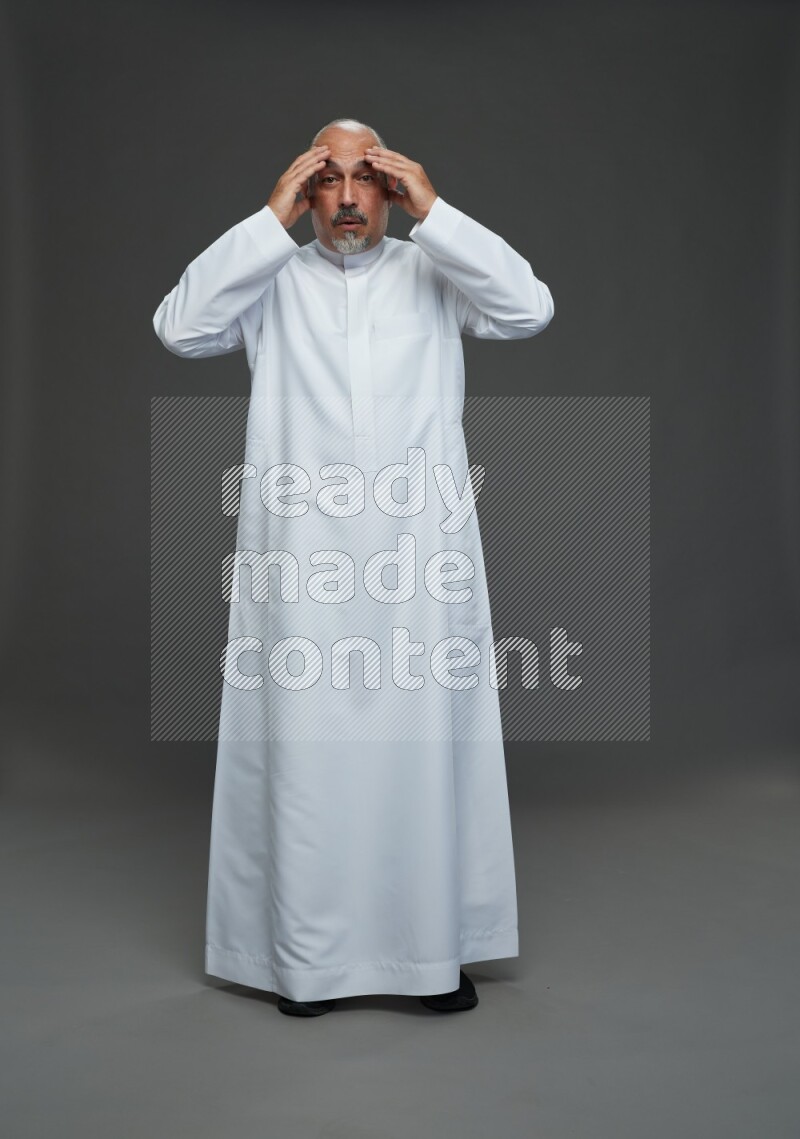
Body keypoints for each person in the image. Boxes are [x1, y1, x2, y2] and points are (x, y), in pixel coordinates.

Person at [152, 118, 554, 1017]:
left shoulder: (432, 270)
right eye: (325, 181)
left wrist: (438, 212)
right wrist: (267, 219)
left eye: (364, 179)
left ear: (391, 191)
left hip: (418, 559)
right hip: (303, 561)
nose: (345, 198)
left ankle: (430, 955)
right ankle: (310, 962)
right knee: (307, 757)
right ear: (305, 195)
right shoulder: (270, 279)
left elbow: (529, 308)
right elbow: (179, 327)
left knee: (423, 749)